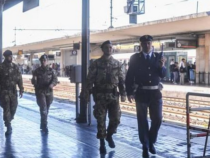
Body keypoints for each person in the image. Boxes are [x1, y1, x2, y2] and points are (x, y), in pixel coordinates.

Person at [80, 40, 126, 154]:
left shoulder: (118, 64)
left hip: (114, 96)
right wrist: (85, 94)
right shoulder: (96, 64)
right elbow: (89, 80)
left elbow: (121, 80)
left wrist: (124, 93)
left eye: (110, 47)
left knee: (115, 119)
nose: (109, 49)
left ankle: (109, 135)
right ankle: (102, 143)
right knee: (101, 120)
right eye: (106, 47)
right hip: (100, 95)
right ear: (103, 49)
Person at [125, 35, 166, 158]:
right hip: (141, 93)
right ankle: (145, 145)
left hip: (155, 94)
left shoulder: (158, 57)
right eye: (144, 43)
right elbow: (129, 76)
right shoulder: (134, 58)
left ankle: (151, 141)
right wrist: (129, 92)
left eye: (148, 43)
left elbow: (163, 75)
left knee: (157, 119)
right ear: (141, 45)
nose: (146, 45)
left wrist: (162, 66)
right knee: (142, 121)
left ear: (152, 44)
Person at [31, 55, 58, 133]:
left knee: (47, 108)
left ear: (47, 61)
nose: (43, 62)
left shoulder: (51, 70)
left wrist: (52, 85)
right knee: (43, 109)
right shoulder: (36, 71)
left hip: (49, 92)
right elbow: (34, 82)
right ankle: (44, 125)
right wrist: (34, 80)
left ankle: (43, 123)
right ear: (40, 61)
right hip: (40, 92)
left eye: (44, 60)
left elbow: (55, 79)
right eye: (42, 60)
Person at [0, 50, 24, 135]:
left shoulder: (15, 67)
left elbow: (19, 78)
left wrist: (21, 89)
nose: (10, 58)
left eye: (10, 56)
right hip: (4, 92)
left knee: (13, 108)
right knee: (6, 108)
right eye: (8, 57)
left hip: (13, 92)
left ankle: (9, 120)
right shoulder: (1, 67)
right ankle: (8, 125)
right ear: (5, 57)